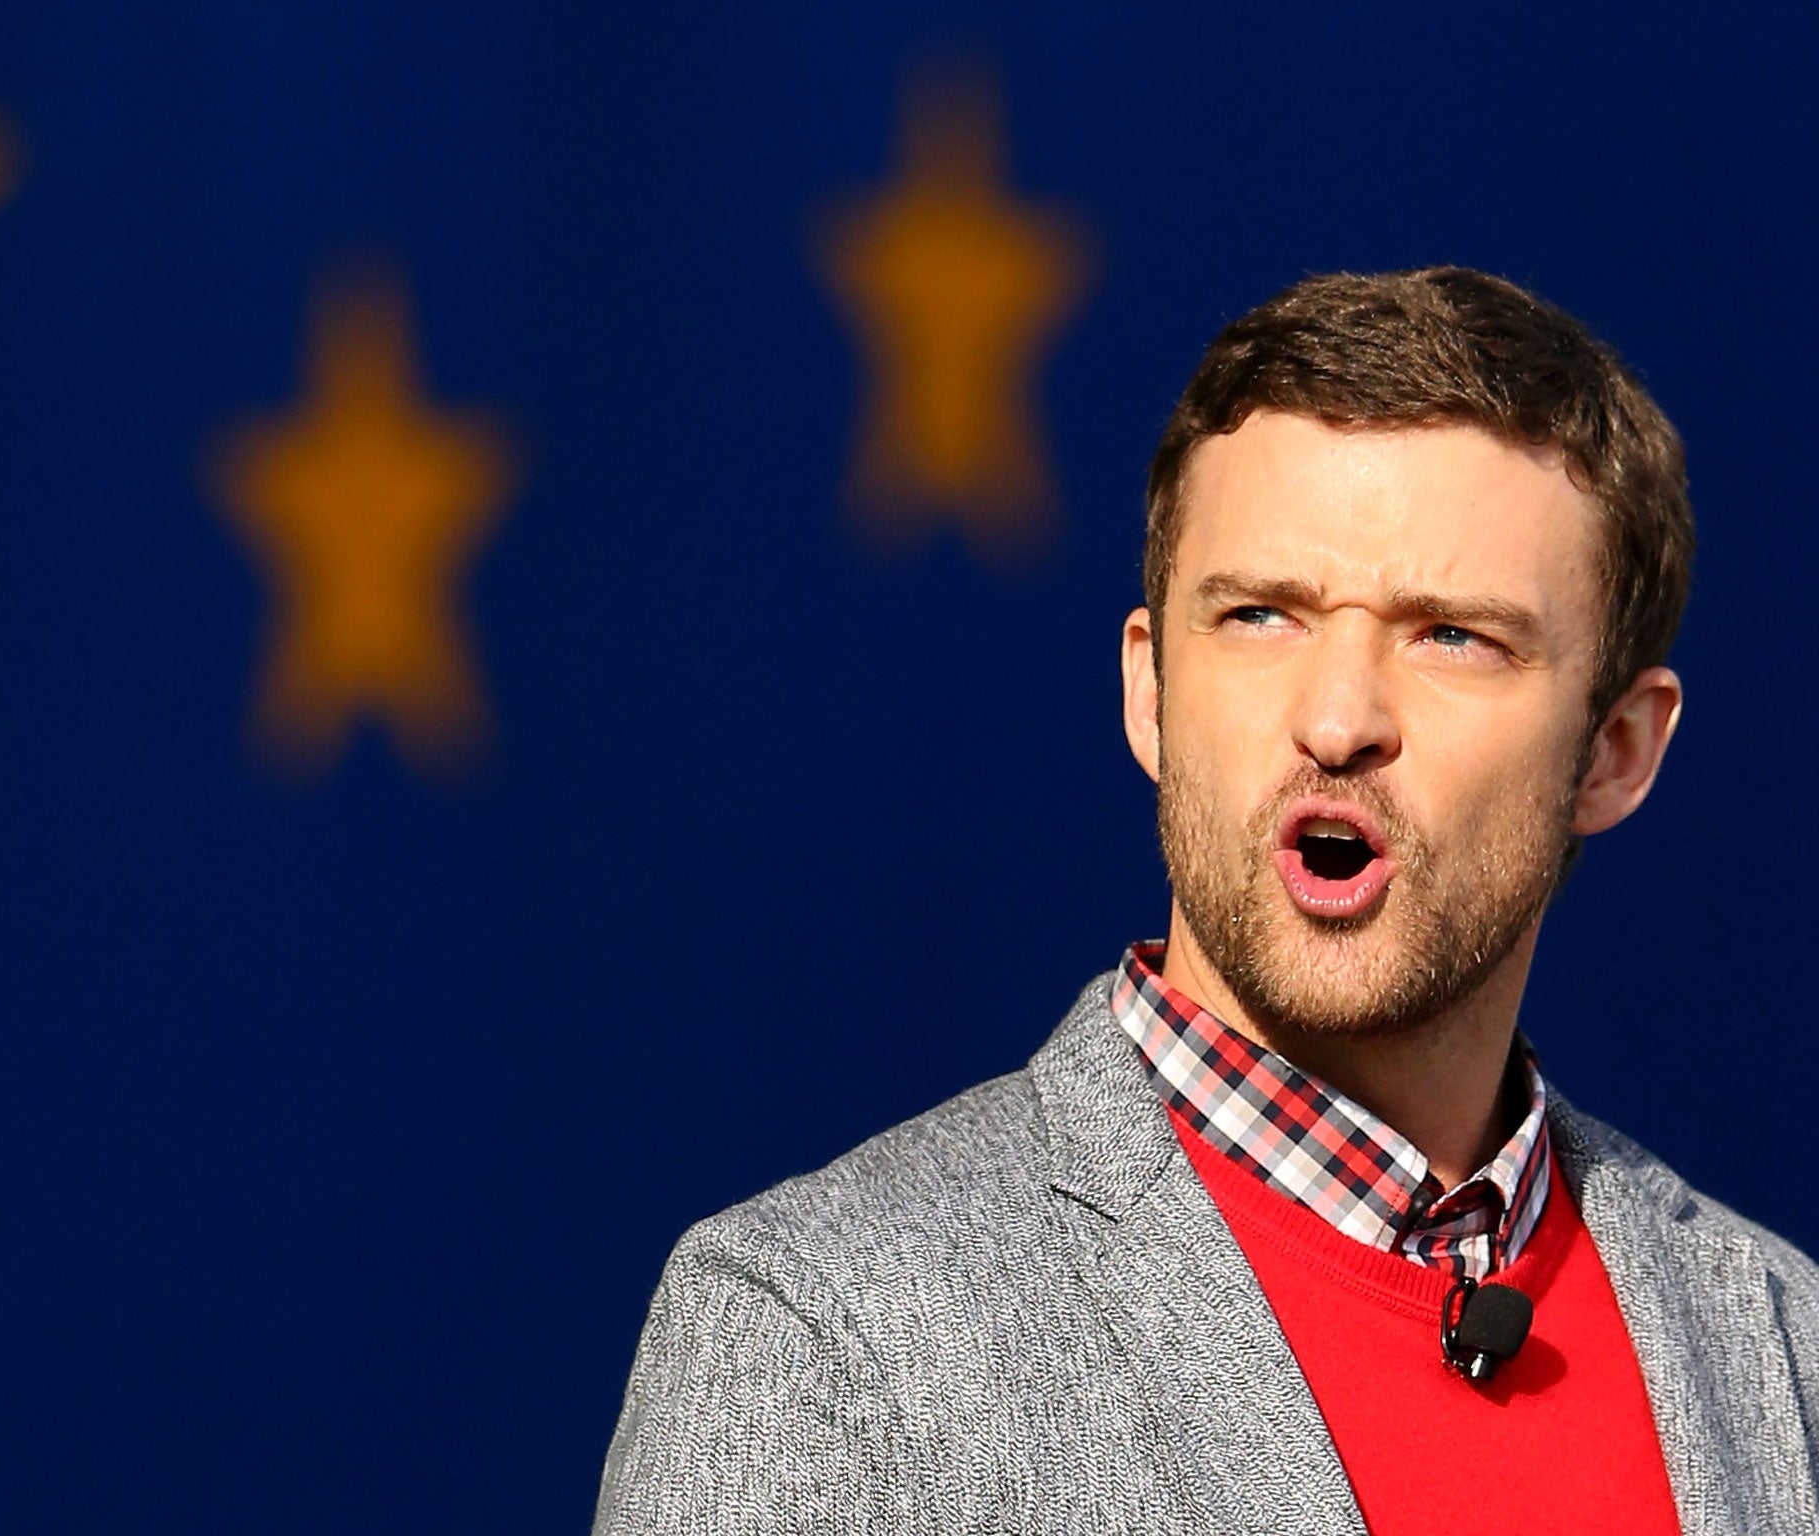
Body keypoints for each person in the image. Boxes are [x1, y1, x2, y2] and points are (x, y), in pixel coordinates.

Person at [592, 268, 1819, 1535]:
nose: (1338, 719)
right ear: (1149, 693)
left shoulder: (1780, 1359)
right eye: (1257, 616)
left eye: (1450, 635)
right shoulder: (820, 1331)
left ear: (1615, 750)